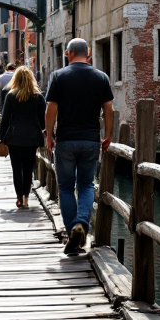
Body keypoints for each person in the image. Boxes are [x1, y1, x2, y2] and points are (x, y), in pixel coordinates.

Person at [45, 38, 114, 256]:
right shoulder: (101, 77)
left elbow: (50, 110)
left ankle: (72, 233)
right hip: (91, 140)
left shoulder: (58, 76)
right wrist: (108, 135)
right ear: (89, 53)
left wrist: (49, 136)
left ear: (69, 53)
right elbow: (109, 110)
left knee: (66, 187)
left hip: (66, 140)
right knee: (85, 185)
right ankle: (81, 222)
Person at [0, 66, 46, 209]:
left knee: (16, 168)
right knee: (28, 168)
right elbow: (43, 120)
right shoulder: (38, 97)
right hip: (32, 137)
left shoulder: (11, 95)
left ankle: (19, 196)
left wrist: (1, 138)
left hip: (14, 137)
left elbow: (5, 119)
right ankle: (26, 196)